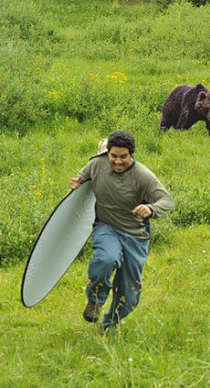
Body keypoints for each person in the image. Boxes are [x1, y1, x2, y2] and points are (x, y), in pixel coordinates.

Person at [69, 131, 174, 331]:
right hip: (106, 227)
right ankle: (95, 301)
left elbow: (167, 201)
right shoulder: (96, 165)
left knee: (129, 295)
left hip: (135, 235)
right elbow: (82, 177)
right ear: (108, 153)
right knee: (105, 259)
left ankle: (108, 326)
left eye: (123, 157)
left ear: (132, 155)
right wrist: (78, 182)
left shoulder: (143, 176)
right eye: (113, 156)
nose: (117, 161)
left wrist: (151, 209)